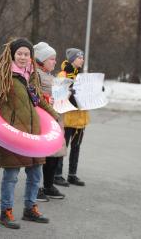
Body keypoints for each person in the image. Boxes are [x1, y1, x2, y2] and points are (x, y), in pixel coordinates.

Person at [0, 38, 58, 229]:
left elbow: (39, 101)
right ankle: (6, 211)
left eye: (27, 54)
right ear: (12, 55)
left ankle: (30, 208)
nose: (24, 57)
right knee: (11, 176)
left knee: (35, 174)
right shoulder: (4, 75)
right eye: (20, 54)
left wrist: (54, 115)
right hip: (13, 136)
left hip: (34, 135)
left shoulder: (30, 76)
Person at [34, 42, 66, 202]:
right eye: (51, 59)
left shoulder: (52, 77)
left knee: (55, 154)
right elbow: (35, 97)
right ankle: (37, 187)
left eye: (55, 59)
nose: (54, 62)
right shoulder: (36, 75)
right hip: (44, 120)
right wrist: (47, 98)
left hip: (57, 119)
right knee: (42, 156)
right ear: (42, 60)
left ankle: (48, 185)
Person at [54, 48, 89, 187]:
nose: (82, 60)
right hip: (67, 118)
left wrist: (96, 90)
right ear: (73, 59)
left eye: (82, 57)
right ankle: (57, 175)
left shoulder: (82, 76)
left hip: (81, 118)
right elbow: (58, 96)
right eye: (80, 57)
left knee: (77, 146)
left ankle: (72, 175)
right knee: (63, 146)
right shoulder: (63, 74)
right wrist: (69, 91)